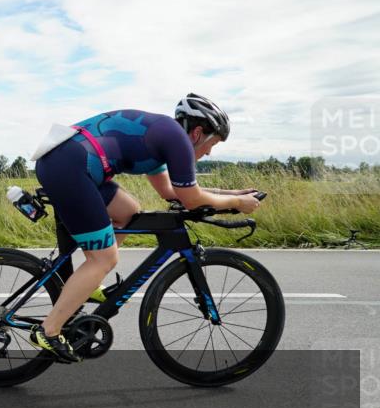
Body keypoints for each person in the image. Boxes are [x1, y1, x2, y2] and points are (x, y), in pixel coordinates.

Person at [29, 94, 262, 362]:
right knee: (104, 258)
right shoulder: (176, 140)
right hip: (69, 168)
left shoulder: (165, 135)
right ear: (198, 133)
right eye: (213, 144)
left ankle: (88, 282)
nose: (209, 152)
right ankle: (49, 330)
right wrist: (235, 202)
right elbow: (191, 199)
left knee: (128, 211)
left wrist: (233, 194)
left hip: (71, 164)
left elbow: (170, 191)